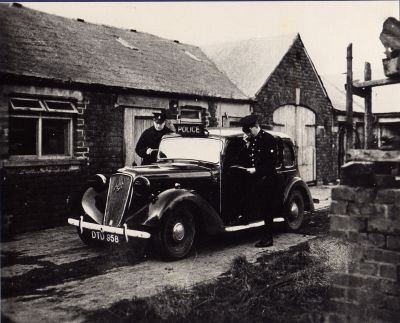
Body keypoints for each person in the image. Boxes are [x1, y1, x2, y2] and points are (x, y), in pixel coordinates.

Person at [239, 114, 278, 248]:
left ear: (255, 127)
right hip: (256, 180)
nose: (248, 134)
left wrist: (256, 170)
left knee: (267, 210)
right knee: (258, 207)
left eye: (249, 131)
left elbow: (271, 162)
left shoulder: (268, 139)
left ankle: (268, 239)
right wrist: (247, 144)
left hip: (267, 179)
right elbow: (247, 157)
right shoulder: (253, 140)